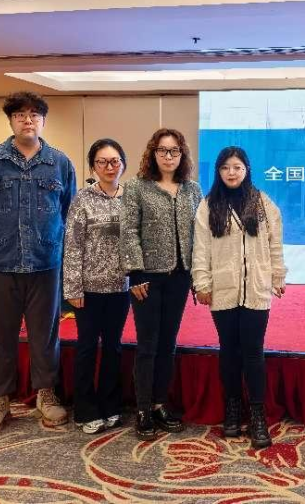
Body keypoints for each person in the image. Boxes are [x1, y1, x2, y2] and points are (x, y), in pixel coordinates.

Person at [0, 91, 77, 436]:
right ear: (11, 121)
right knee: (0, 336)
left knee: (46, 334)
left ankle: (46, 394)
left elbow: (68, 209)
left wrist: (50, 239)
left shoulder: (60, 163)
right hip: (1, 262)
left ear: (43, 121)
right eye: (20, 115)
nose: (28, 120)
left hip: (45, 262)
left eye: (34, 115)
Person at [192, 146, 286, 449]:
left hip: (256, 289)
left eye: (237, 167)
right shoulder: (208, 205)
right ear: (218, 172)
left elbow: (275, 243)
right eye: (225, 168)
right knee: (229, 351)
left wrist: (277, 276)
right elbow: (201, 249)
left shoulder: (262, 203)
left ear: (246, 170)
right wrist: (202, 283)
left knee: (253, 352)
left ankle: (258, 415)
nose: (231, 173)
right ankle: (232, 408)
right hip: (223, 289)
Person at [120, 128, 202, 440]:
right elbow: (129, 231)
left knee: (168, 343)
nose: (168, 156)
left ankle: (159, 404)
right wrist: (134, 274)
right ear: (153, 153)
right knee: (147, 344)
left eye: (174, 151)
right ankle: (142, 409)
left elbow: (200, 234)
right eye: (162, 150)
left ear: (182, 155)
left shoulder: (192, 190)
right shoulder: (137, 187)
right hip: (147, 278)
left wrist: (199, 274)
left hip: (180, 277)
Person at [63, 139, 130, 434]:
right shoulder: (82, 199)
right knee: (87, 347)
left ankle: (110, 404)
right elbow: (73, 245)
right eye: (102, 162)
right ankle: (85, 409)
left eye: (115, 161)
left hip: (121, 288)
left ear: (123, 164)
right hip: (88, 289)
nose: (109, 167)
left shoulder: (130, 198)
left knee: (113, 347)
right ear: (93, 166)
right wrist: (73, 288)